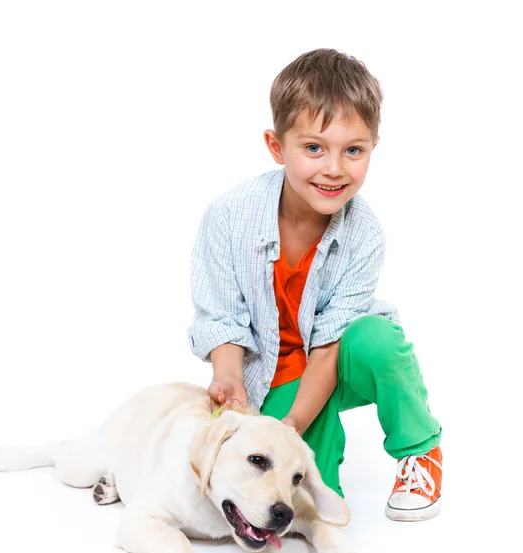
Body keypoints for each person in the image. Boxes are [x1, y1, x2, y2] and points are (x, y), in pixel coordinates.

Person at [187, 48, 442, 521]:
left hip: (336, 360)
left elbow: (326, 350)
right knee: (311, 505)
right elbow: (221, 317)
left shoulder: (364, 234)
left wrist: (292, 428)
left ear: (372, 147)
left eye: (353, 150)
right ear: (276, 145)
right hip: (275, 369)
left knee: (378, 341)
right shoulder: (228, 216)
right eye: (313, 148)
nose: (334, 169)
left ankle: (420, 449)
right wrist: (229, 379)